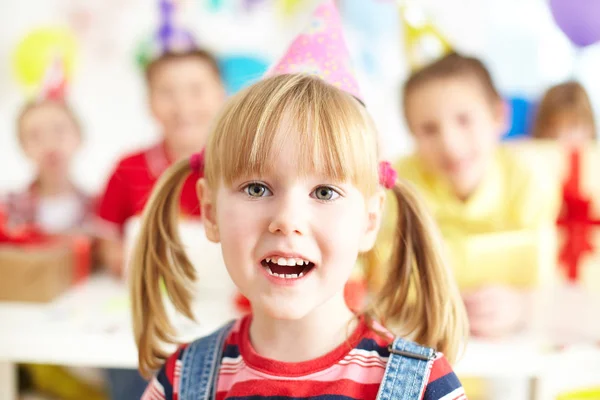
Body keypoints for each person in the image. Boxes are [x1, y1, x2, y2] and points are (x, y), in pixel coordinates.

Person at [132, 2, 468, 399]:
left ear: (370, 220)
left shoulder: (425, 388)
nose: (287, 219)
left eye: (324, 192)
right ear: (209, 211)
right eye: (257, 188)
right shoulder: (181, 380)